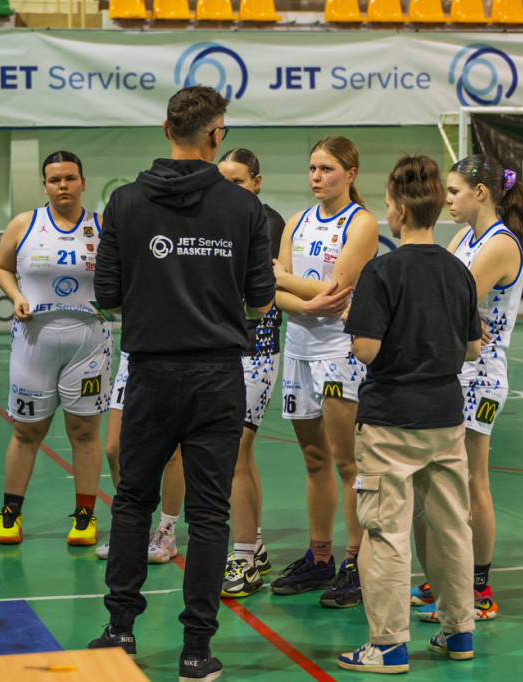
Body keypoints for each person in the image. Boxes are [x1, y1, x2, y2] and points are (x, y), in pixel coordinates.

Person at [88, 85, 275, 682]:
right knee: (210, 513)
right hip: (219, 375)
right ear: (216, 135)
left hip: (148, 372)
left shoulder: (123, 204)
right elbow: (262, 298)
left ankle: (120, 630)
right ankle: (197, 650)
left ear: (165, 128)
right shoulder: (245, 209)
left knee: (134, 503)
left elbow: (108, 295)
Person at [336, 154, 481, 674]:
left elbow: (367, 350)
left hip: (391, 422)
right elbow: (472, 350)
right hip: (445, 419)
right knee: (451, 529)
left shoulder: (383, 270)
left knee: (387, 533)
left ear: (396, 210)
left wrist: (356, 327)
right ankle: (458, 632)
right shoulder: (458, 270)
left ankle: (389, 644)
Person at [412, 154, 523, 624]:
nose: (446, 199)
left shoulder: (501, 244)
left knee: (472, 481)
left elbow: (451, 298)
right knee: (441, 481)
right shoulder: (466, 235)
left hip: (481, 377)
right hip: (452, 369)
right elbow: (433, 284)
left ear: (480, 193)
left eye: (454, 191)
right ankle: (447, 576)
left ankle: (479, 589)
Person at [270, 135, 378, 609]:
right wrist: (307, 297)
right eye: (312, 168)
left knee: (347, 463)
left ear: (350, 174)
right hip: (297, 348)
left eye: (327, 169)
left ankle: (357, 561)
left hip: (339, 351)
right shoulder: (296, 221)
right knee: (314, 460)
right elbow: (274, 292)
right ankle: (320, 558)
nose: (317, 177)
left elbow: (340, 289)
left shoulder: (363, 224)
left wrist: (287, 282)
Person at [0, 151, 111, 546]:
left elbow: (123, 276)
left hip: (88, 342)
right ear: (44, 184)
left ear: (82, 182)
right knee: (26, 431)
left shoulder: (102, 227)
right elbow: (2, 267)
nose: (63, 185)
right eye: (55, 179)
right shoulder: (24, 223)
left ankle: (84, 518)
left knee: (84, 432)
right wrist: (14, 295)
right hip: (34, 338)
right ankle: (10, 515)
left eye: (70, 178)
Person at [217, 147, 286, 599]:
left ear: (257, 182)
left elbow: (264, 289)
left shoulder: (269, 222)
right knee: (241, 453)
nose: (230, 190)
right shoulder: (215, 217)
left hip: (256, 346)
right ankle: (254, 544)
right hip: (224, 345)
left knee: (235, 452)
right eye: (223, 181)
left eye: (238, 182)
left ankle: (242, 560)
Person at [96, 356, 184, 564]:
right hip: (134, 356)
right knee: (114, 448)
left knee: (173, 449)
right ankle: (135, 528)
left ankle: (167, 532)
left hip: (174, 357)